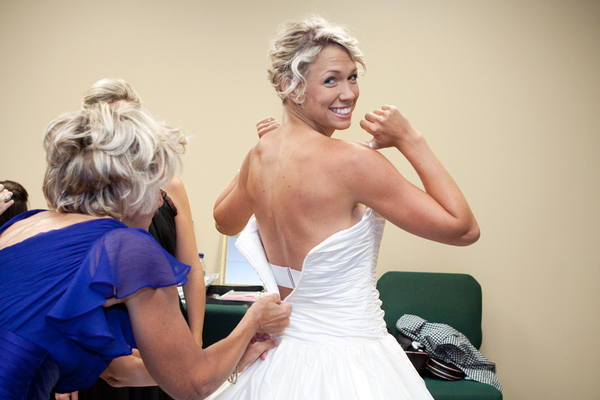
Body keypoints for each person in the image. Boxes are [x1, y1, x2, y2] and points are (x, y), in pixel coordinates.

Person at [210, 16, 479, 399]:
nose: (349, 93)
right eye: (331, 80)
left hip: (280, 362)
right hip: (354, 362)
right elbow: (463, 228)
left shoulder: (260, 155)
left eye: (353, 77)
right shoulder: (353, 162)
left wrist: (264, 150)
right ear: (291, 87)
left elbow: (223, 220)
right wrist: (410, 140)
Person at [0, 78, 291, 400]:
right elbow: (192, 385)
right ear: (129, 187)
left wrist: (232, 357)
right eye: (155, 185)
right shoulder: (127, 249)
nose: (158, 201)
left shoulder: (26, 224)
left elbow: (118, 372)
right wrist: (253, 320)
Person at [71, 79, 207, 400]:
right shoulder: (84, 194)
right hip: (103, 339)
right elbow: (76, 290)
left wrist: (195, 340)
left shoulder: (170, 186)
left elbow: (192, 269)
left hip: (162, 332)